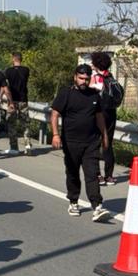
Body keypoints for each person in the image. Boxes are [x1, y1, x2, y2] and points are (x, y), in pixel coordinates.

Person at [50, 64, 111, 221]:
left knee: (92, 174)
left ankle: (97, 206)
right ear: (75, 77)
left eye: (86, 79)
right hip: (71, 142)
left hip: (91, 142)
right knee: (72, 173)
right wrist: (56, 134)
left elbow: (99, 118)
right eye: (81, 78)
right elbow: (55, 114)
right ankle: (73, 201)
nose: (83, 81)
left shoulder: (94, 95)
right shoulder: (66, 94)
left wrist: (104, 137)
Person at [89, 51, 124, 183]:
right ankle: (109, 175)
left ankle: (98, 175)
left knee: (95, 143)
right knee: (108, 144)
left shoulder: (96, 78)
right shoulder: (111, 77)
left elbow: (90, 93)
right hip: (111, 113)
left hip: (99, 113)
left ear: (96, 64)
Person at [4, 52, 32, 156]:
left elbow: (5, 85)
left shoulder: (8, 71)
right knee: (25, 123)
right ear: (21, 59)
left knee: (12, 123)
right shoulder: (26, 70)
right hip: (23, 100)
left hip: (12, 101)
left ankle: (14, 147)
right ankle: (28, 145)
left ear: (13, 59)